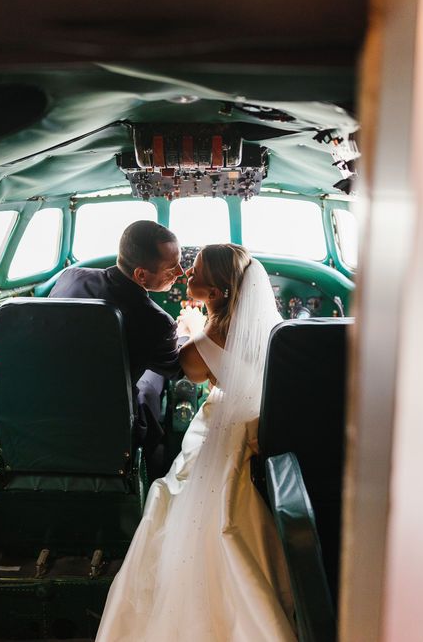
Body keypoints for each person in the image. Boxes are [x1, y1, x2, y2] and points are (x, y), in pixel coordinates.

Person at [95, 244, 296, 642]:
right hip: (257, 423)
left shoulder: (211, 335)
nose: (187, 275)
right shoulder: (265, 324)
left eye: (197, 271)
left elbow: (187, 368)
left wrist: (188, 327)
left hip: (223, 428)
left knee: (181, 500)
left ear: (218, 291)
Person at [50, 220, 198, 479]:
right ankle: (155, 459)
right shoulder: (155, 320)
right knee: (155, 381)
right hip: (111, 423)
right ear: (141, 275)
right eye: (171, 267)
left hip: (53, 405)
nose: (181, 272)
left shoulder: (70, 277)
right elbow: (176, 369)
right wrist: (188, 332)